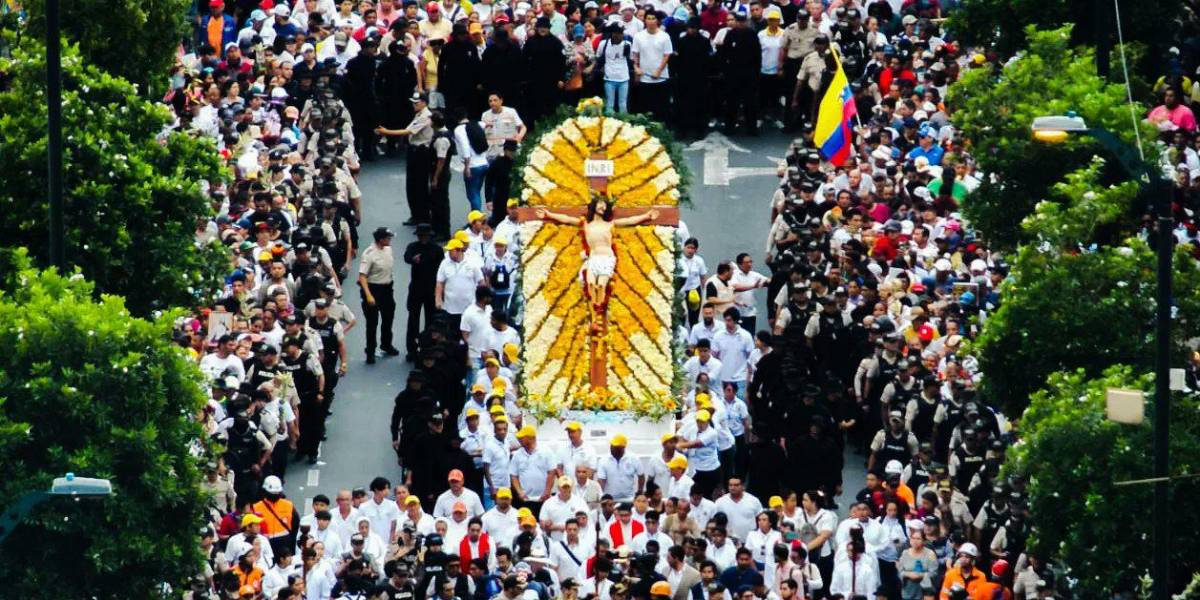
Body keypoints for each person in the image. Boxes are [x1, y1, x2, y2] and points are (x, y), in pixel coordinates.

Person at [358, 226, 399, 364]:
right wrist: (369, 295)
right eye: (388, 238)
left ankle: (386, 344)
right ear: (380, 240)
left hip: (387, 289)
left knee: (388, 318)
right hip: (373, 289)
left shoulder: (388, 249)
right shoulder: (369, 254)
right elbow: (362, 276)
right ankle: (370, 351)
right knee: (372, 322)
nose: (390, 240)